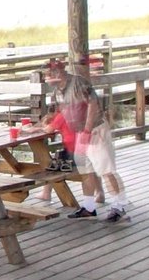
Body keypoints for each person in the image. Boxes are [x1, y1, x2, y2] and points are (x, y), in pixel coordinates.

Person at [67, 56, 129, 222]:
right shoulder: (74, 86)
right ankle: (89, 206)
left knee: (107, 169)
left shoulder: (88, 86)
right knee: (86, 170)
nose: (79, 69)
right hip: (81, 132)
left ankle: (119, 206)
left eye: (82, 65)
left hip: (96, 131)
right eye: (76, 66)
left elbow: (94, 108)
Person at [42, 58, 106, 220]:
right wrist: (48, 119)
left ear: (59, 73)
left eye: (49, 74)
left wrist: (87, 129)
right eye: (46, 75)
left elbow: (93, 103)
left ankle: (115, 204)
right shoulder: (57, 92)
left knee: (96, 167)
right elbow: (56, 113)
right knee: (87, 168)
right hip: (77, 136)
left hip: (89, 132)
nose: (47, 78)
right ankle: (90, 205)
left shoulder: (78, 84)